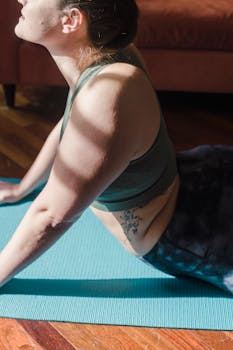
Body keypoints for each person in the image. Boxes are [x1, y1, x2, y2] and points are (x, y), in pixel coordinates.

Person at [0, 0, 232, 294]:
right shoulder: (109, 56)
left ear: (71, 20)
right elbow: (73, 124)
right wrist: (24, 188)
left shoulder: (107, 90)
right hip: (199, 174)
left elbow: (52, 216)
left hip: (192, 232)